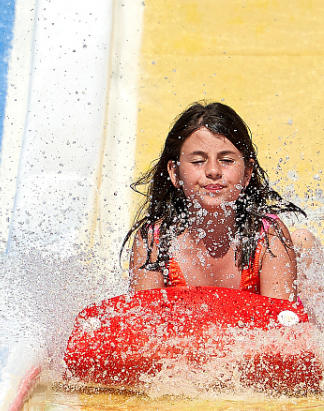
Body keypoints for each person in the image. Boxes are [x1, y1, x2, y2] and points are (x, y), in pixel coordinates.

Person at [126, 101, 307, 301]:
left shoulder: (267, 238)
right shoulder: (154, 242)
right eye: (198, 161)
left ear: (247, 173)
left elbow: (281, 327)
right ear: (175, 172)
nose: (213, 171)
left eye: (227, 160)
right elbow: (144, 325)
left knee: (303, 243)